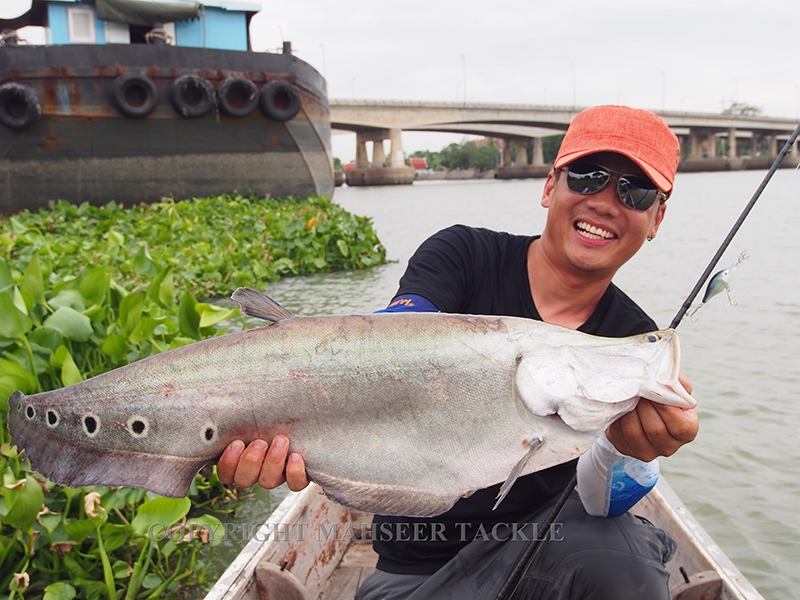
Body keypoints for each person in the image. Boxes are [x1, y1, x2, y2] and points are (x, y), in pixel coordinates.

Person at [216, 105, 699, 599]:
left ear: (656, 217)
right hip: (415, 578)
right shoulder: (464, 255)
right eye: (588, 176)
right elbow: (392, 336)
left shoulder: (629, 339)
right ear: (551, 186)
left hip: (542, 562)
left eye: (634, 191)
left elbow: (597, 503)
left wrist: (625, 446)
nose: (604, 202)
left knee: (625, 557)